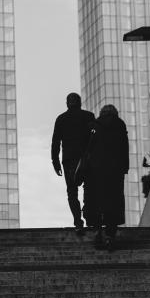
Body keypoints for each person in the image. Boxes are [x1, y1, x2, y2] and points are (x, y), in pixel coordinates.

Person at [86, 104, 129, 250]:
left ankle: (97, 231)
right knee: (113, 202)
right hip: (115, 171)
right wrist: (124, 167)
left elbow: (87, 148)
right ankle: (110, 236)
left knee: (96, 201)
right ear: (115, 113)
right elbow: (124, 147)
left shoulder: (93, 126)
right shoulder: (120, 125)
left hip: (95, 171)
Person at [51, 92, 95, 234]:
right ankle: (89, 216)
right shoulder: (88, 116)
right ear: (80, 102)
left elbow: (55, 142)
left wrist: (55, 161)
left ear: (67, 103)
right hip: (86, 158)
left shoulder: (61, 119)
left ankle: (78, 221)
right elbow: (95, 138)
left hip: (69, 160)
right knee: (89, 188)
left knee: (72, 191)